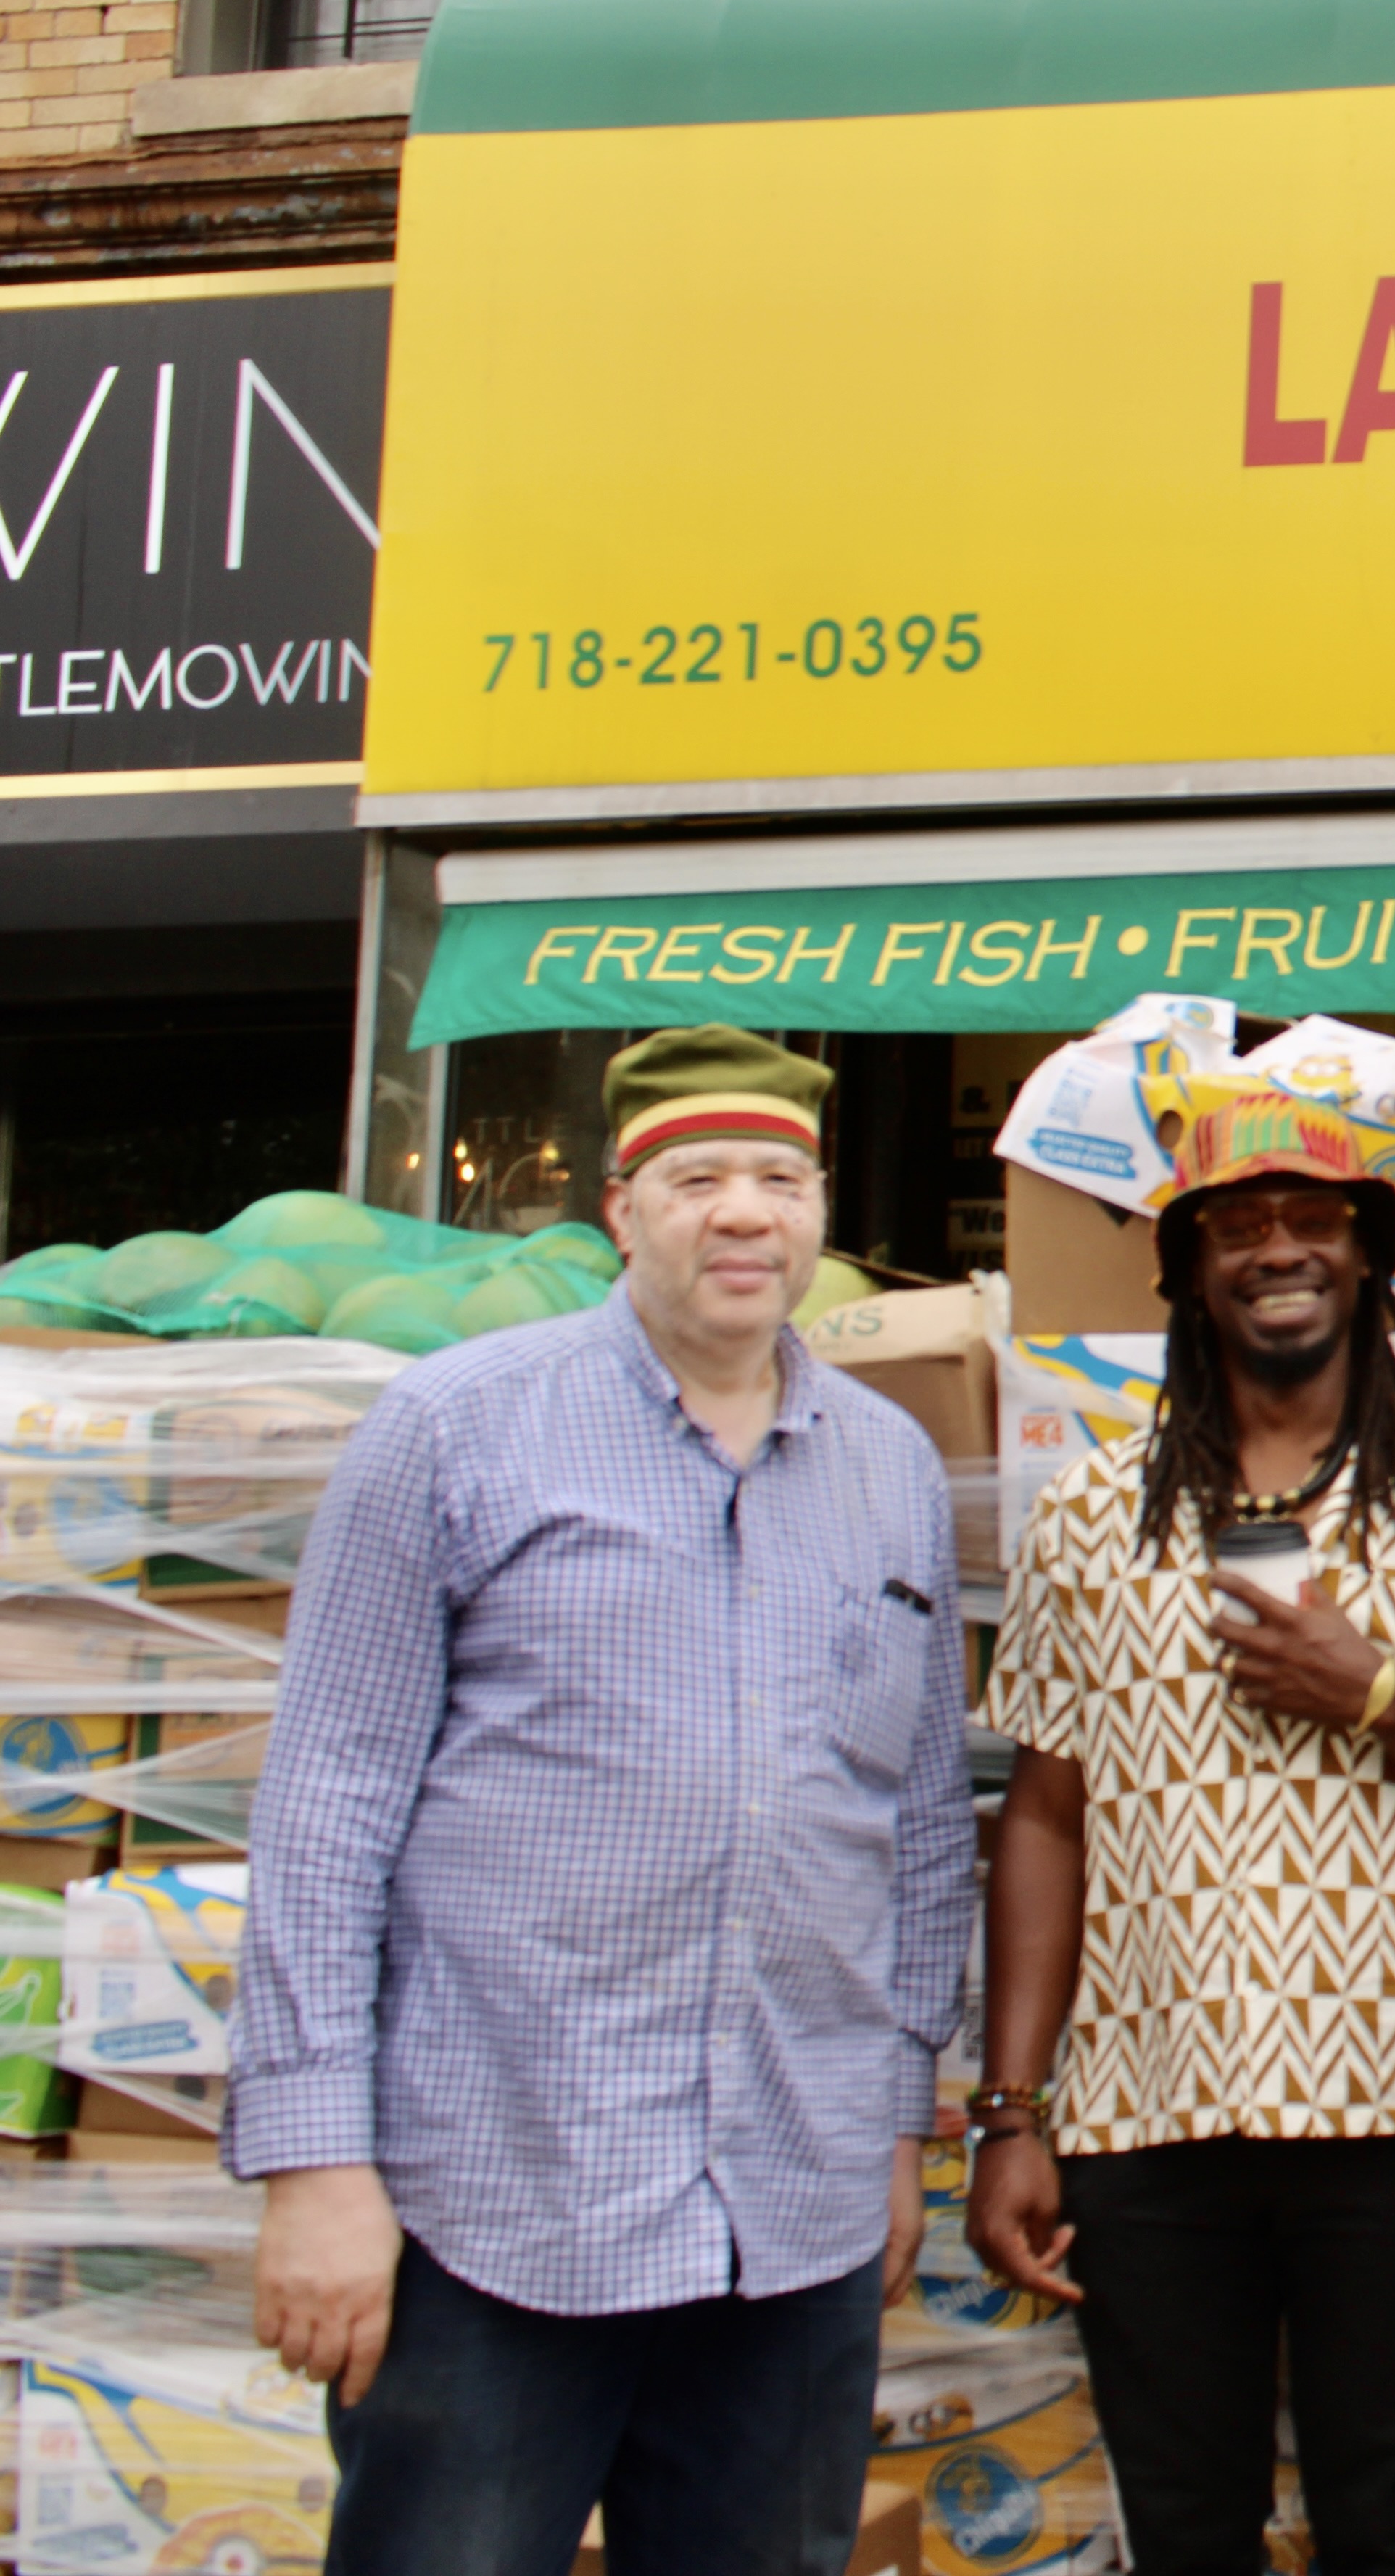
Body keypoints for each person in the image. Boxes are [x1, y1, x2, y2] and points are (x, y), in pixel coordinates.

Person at [229, 1025, 972, 2576]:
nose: (746, 1214)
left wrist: (899, 2118)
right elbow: (326, 1806)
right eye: (699, 1177)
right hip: (495, 2196)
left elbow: (913, 1827)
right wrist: (316, 2163)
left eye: (781, 1177)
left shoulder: (890, 1465)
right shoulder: (452, 1428)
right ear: (621, 1209)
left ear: (822, 1209)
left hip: (796, 2205)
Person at [964, 1075, 1395, 2576]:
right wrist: (1011, 2110)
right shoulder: (1088, 1513)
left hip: (1390, 2111)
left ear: (1368, 1249)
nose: (1277, 1246)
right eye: (1236, 1222)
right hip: (1144, 2113)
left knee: (1386, 2524)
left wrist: (1378, 1689)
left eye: (1310, 1215)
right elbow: (1043, 1816)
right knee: (1186, 2531)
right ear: (1187, 1265)